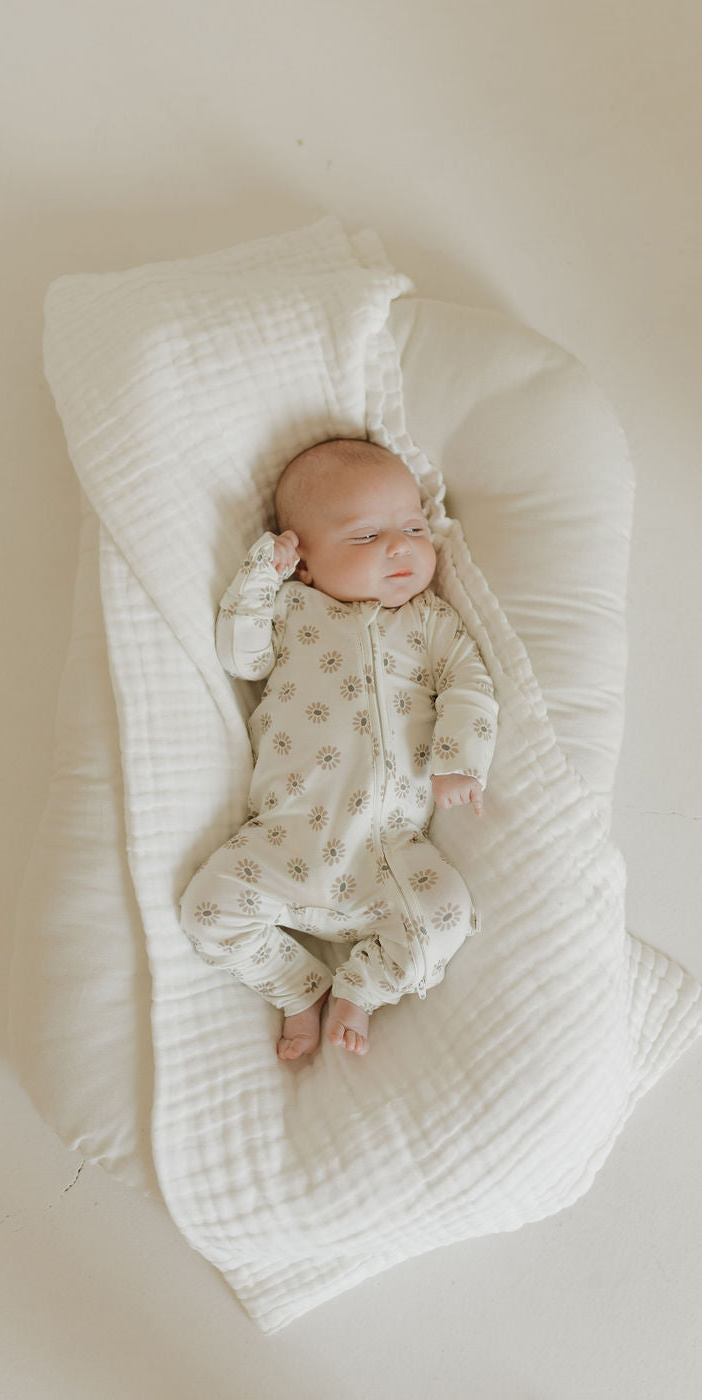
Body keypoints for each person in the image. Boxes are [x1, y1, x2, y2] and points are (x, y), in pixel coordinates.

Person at [179, 439, 498, 1061]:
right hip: (284, 835)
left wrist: (458, 759)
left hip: (390, 850)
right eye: (365, 537)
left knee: (447, 917)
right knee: (206, 912)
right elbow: (240, 657)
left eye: (412, 526)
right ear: (305, 565)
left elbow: (470, 682)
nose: (399, 546)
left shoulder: (429, 622)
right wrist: (260, 577)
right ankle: (298, 989)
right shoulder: (294, 609)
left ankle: (361, 988)